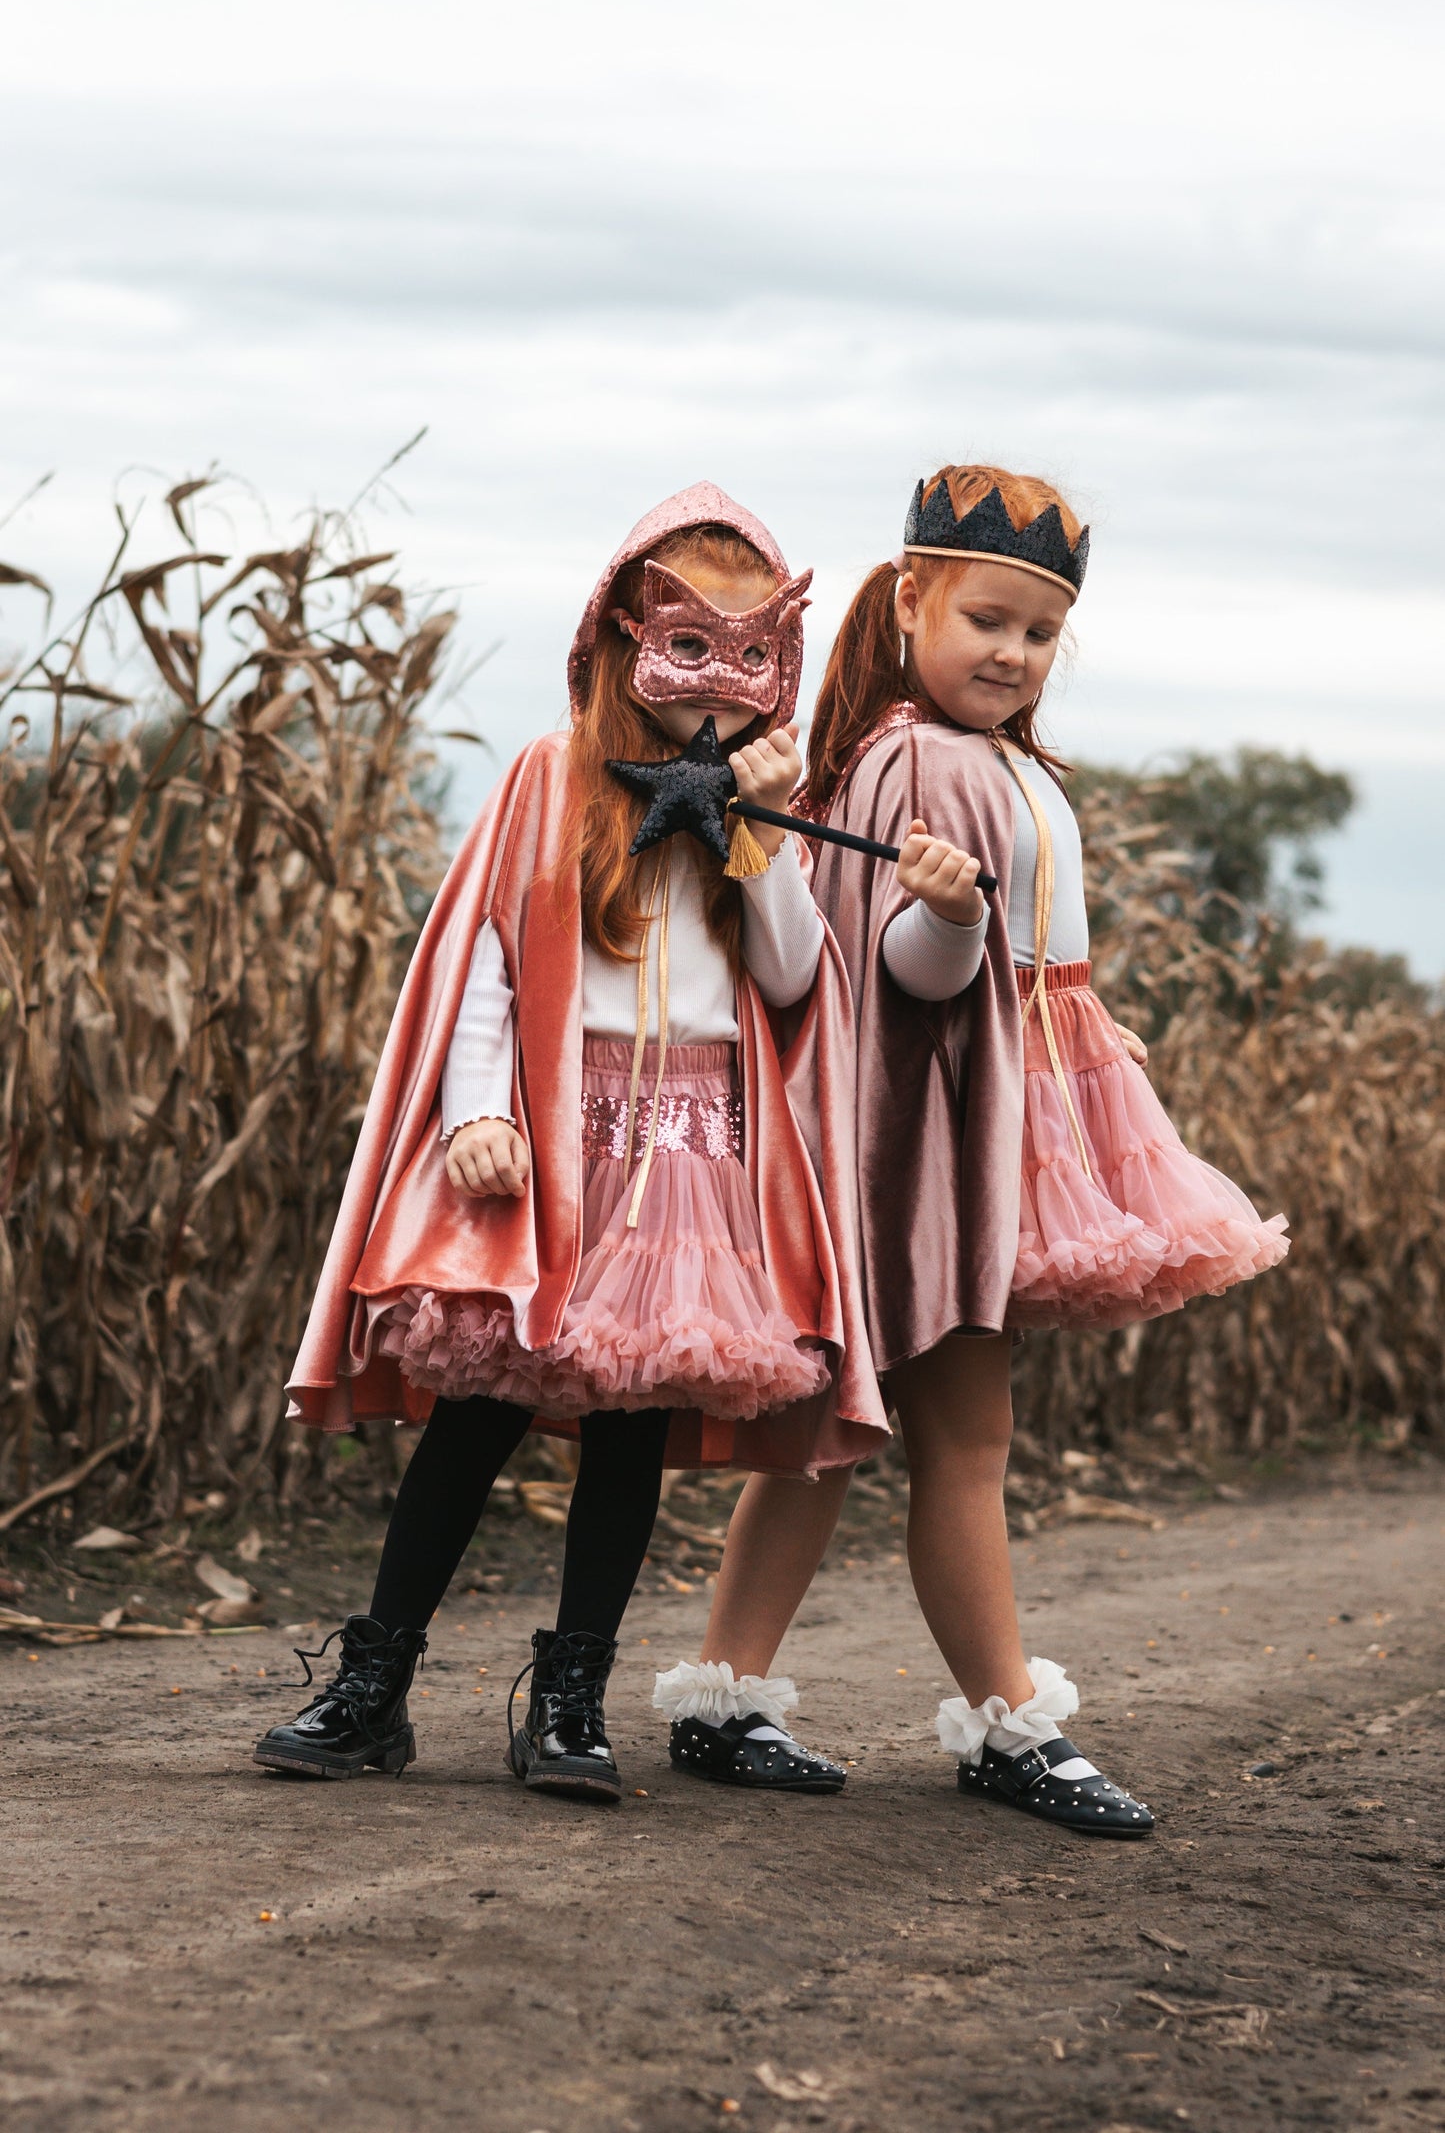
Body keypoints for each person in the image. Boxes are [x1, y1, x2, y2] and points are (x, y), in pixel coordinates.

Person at [655, 464, 1288, 1834]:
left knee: (831, 1435)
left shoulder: (991, 762)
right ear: (909, 604)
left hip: (1004, 1121)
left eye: (1037, 633)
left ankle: (723, 1697)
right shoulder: (918, 761)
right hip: (931, 1146)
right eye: (985, 620)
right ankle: (1009, 1730)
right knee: (962, 1436)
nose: (1009, 653)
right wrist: (944, 914)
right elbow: (902, 982)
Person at [256, 483, 887, 1802]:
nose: (716, 684)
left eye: (751, 655)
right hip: (553, 1131)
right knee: (478, 1412)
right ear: (620, 637)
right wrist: (477, 1108)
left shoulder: (773, 804)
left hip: (689, 1152)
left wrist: (765, 841)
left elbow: (787, 983)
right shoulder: (552, 778)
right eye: (686, 645)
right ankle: (374, 1685)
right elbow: (486, 957)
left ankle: (573, 1700)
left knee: (628, 1426)